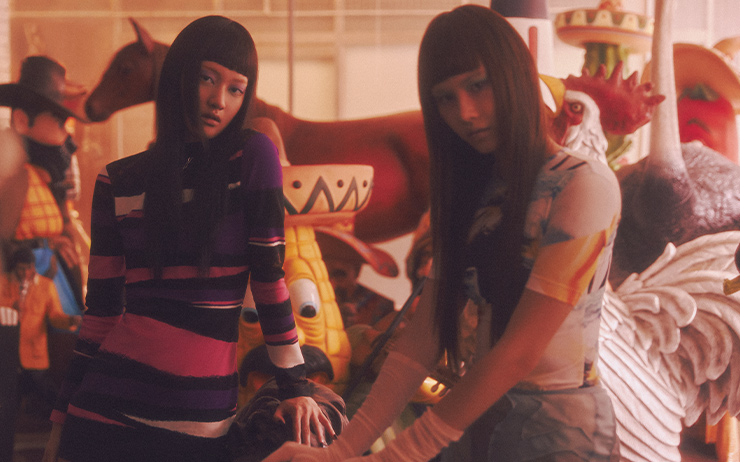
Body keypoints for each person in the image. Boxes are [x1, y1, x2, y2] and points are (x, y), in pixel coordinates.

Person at [264, 4, 621, 462]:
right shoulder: (470, 192)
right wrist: (342, 450)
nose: (465, 113)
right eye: (445, 99)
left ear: (514, 77)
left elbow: (520, 352)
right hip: (474, 418)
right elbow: (422, 340)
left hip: (559, 428)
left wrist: (394, 457)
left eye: (478, 85)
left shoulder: (583, 184)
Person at [42, 16, 334, 462]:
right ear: (178, 77)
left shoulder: (252, 156)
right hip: (101, 416)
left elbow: (269, 278)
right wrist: (59, 424)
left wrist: (295, 386)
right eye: (207, 79)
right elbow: (100, 314)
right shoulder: (117, 181)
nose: (219, 100)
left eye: (236, 88)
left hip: (198, 422)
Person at [0, 55, 88, 320]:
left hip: (51, 295)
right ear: (22, 121)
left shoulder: (43, 177)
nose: (67, 136)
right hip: (20, 301)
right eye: (60, 122)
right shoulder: (12, 177)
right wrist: (39, 248)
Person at [0, 245, 81, 461]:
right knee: (8, 405)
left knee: (51, 396)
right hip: (8, 356)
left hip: (35, 357)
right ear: (14, 267)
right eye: (21, 268)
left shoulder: (46, 286)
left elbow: (55, 316)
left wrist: (70, 320)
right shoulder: (3, 282)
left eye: (29, 268)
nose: (26, 273)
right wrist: (12, 305)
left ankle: (65, 437)